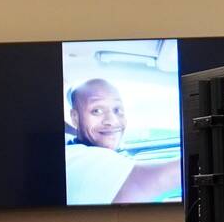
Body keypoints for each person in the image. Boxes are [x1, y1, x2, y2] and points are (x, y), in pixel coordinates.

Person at [64, 77, 179, 205]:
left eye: (117, 110)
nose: (112, 121)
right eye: (97, 111)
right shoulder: (76, 157)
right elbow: (160, 179)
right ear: (75, 117)